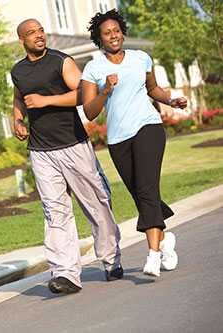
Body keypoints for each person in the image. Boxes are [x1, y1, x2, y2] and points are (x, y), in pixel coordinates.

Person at [11, 19, 122, 294]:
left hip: (73, 143)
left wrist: (47, 100)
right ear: (22, 40)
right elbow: (19, 98)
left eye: (40, 30)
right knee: (55, 211)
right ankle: (65, 273)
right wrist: (17, 119)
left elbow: (85, 95)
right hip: (41, 151)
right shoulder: (18, 71)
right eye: (32, 33)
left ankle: (110, 259)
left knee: (95, 203)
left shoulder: (62, 62)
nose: (39, 36)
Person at [81, 9, 187, 277]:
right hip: (118, 138)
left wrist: (171, 100)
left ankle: (152, 254)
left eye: (116, 30)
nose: (113, 35)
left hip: (148, 127)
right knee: (139, 193)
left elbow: (153, 89)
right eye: (107, 33)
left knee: (148, 188)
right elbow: (90, 111)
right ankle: (165, 241)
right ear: (99, 38)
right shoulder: (93, 68)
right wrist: (105, 90)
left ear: (122, 32)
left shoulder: (141, 58)